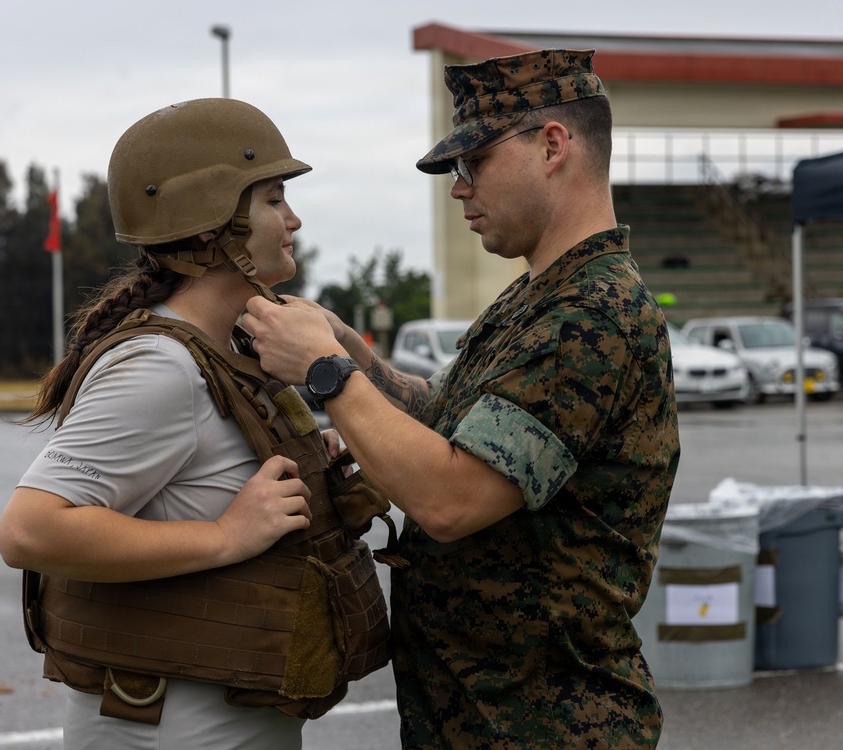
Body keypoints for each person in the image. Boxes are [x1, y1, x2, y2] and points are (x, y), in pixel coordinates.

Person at [240, 49, 681, 749]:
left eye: (472, 163)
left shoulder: (595, 312)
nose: (459, 189)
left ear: (552, 145)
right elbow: (438, 413)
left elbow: (452, 499)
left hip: (544, 726)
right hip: (483, 717)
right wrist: (347, 345)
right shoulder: (540, 298)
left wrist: (327, 374)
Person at [0, 99, 390, 750]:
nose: (293, 220)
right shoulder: (161, 366)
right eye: (272, 198)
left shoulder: (222, 355)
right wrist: (224, 534)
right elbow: (30, 529)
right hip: (168, 724)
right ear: (214, 221)